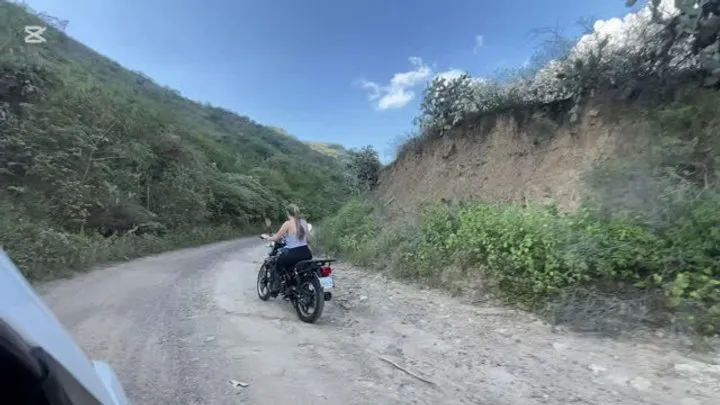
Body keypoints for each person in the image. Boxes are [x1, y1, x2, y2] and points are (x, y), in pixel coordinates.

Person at [261, 204, 312, 291]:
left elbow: (276, 238)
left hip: (293, 253)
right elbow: (309, 239)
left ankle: (275, 288)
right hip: (306, 253)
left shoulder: (287, 224)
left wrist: (267, 237)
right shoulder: (303, 222)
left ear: (287, 213)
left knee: (277, 263)